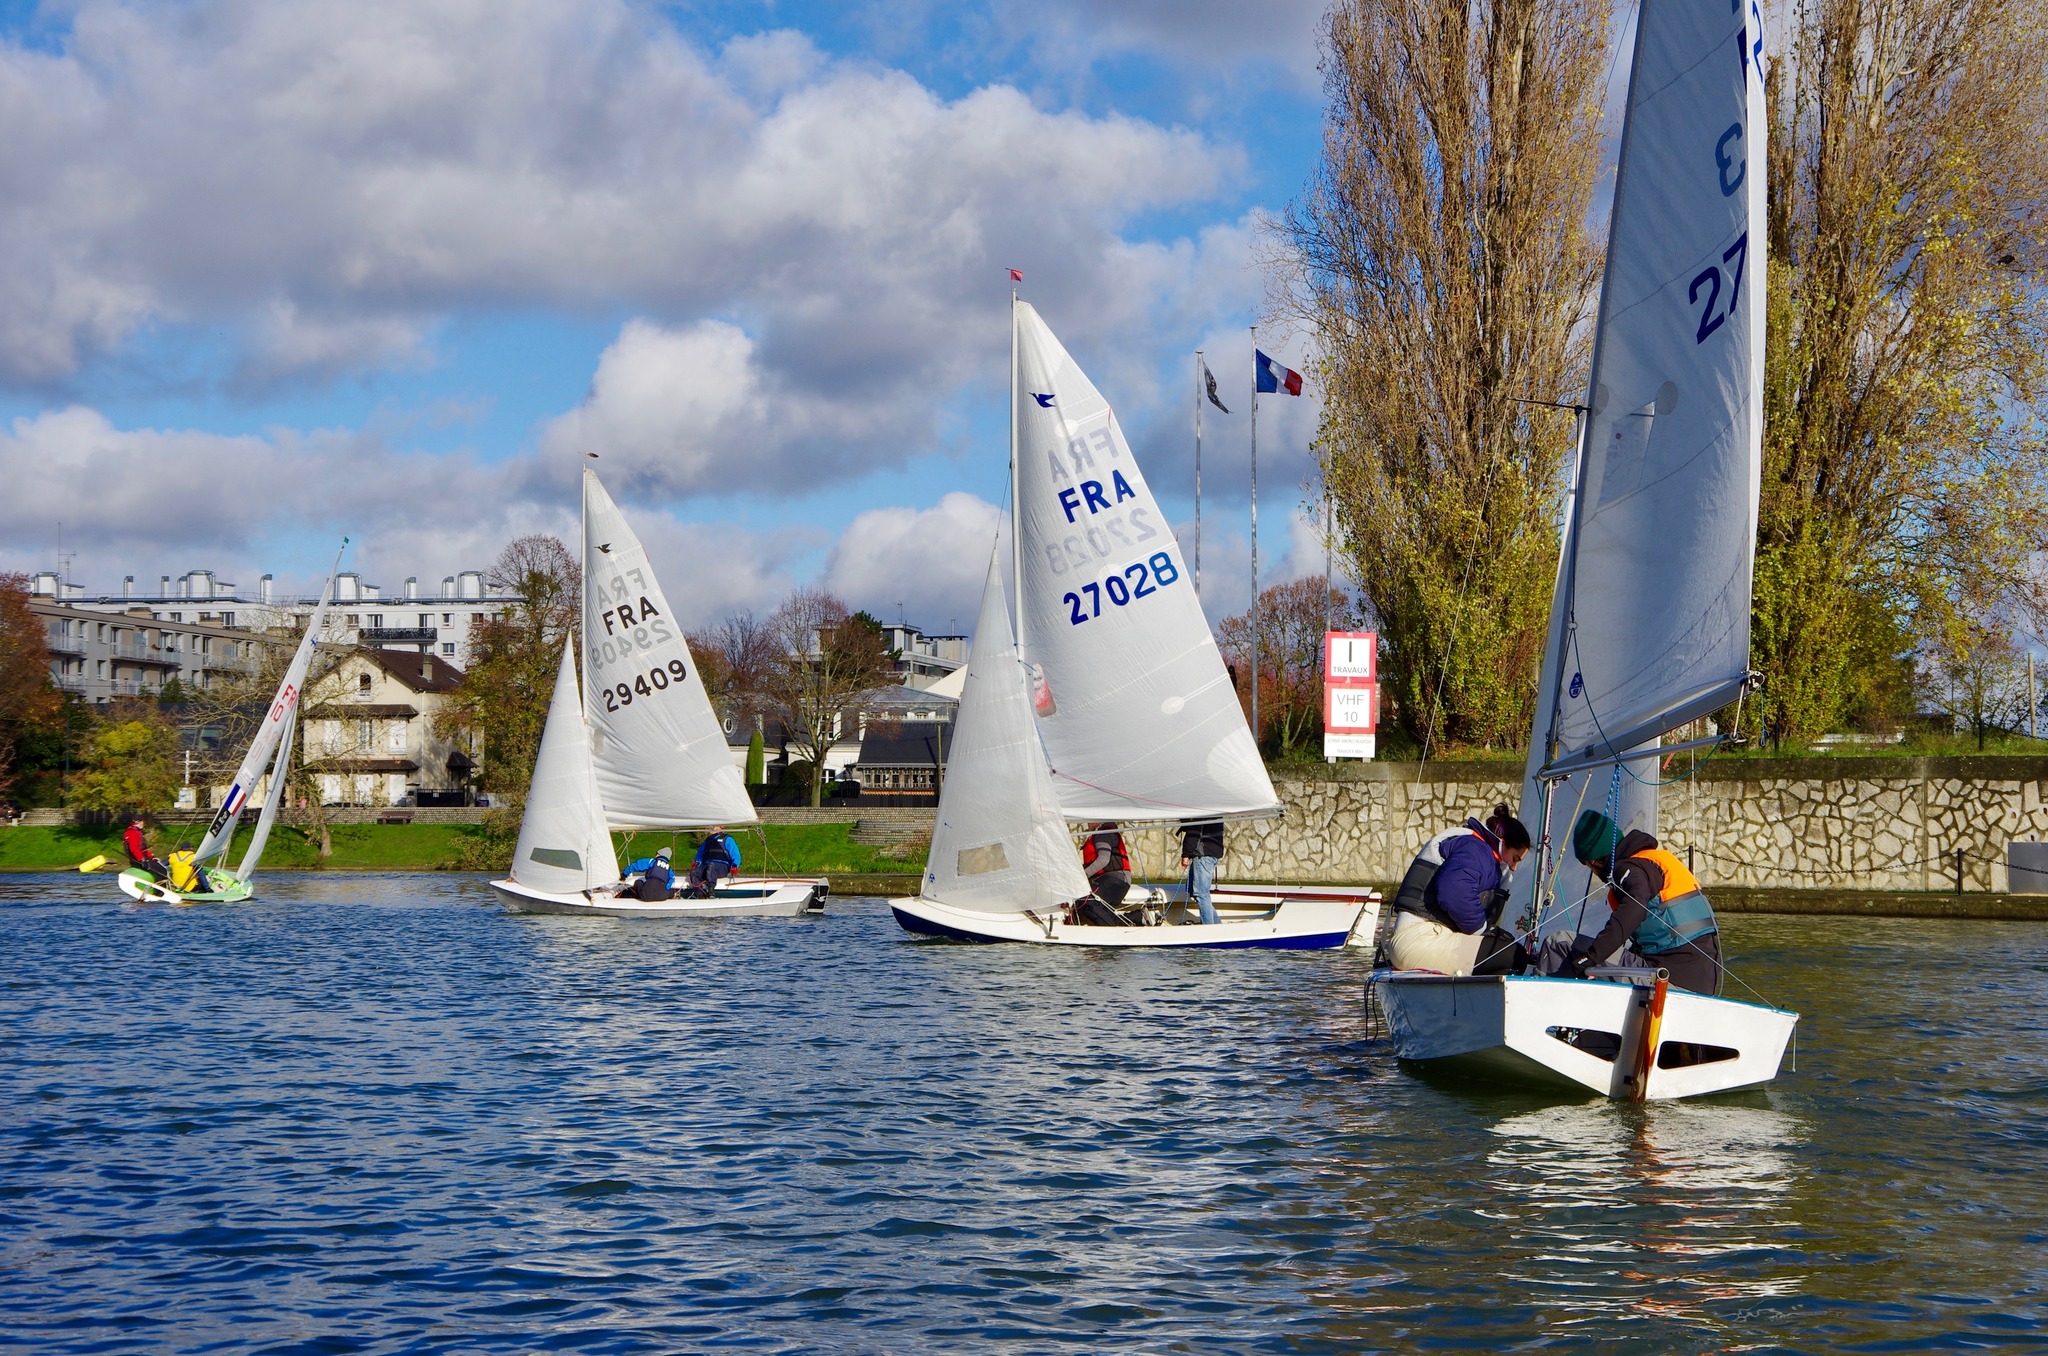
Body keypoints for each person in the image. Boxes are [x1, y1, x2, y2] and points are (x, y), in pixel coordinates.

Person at [1551, 809, 1722, 995]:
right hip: (1700, 984)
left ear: (1594, 861)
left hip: (1666, 979)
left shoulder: (1627, 869)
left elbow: (1635, 907)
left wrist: (1593, 957)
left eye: (1589, 867)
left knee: (1558, 943)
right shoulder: (1655, 861)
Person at [1388, 804, 1531, 974]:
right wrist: (1483, 929)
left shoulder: (1472, 845)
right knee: (1515, 956)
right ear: (1503, 843)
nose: (1514, 867)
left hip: (1414, 940)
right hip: (1419, 941)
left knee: (1503, 947)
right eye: (1515, 858)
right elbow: (1453, 893)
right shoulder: (1474, 849)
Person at [1177, 818, 1225, 925]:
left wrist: (1185, 854)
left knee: (1201, 894)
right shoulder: (1214, 810)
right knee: (1197, 892)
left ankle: (1209, 929)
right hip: (1212, 853)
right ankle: (1217, 926)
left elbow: (1194, 832)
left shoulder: (1201, 813)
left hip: (1203, 855)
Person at [1081, 822, 1133, 910]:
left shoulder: (1103, 834)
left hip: (1114, 879)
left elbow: (1103, 859)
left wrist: (1084, 875)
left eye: (1089, 821)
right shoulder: (1104, 832)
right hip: (1115, 880)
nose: (1087, 824)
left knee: (1085, 901)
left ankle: (1137, 917)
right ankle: (1138, 918)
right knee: (1093, 908)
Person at [689, 827, 740, 895]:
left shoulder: (727, 839)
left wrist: (734, 865)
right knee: (694, 872)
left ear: (721, 827)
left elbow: (735, 854)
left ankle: (711, 890)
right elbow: (700, 853)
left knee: (712, 866)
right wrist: (697, 862)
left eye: (714, 827)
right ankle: (699, 894)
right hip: (708, 866)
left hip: (722, 867)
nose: (712, 828)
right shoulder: (707, 840)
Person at [121, 815, 170, 881]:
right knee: (162, 871)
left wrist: (152, 857)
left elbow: (143, 849)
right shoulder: (133, 833)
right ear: (137, 822)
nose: (143, 823)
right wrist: (142, 860)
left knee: (160, 866)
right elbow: (134, 849)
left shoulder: (136, 832)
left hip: (142, 859)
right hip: (138, 861)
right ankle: (159, 889)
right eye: (142, 821)